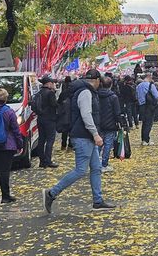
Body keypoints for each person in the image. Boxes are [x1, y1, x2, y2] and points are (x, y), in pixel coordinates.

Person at [42, 69, 116, 214]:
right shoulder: (85, 92)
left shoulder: (85, 91)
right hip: (83, 136)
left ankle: (98, 201)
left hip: (86, 136)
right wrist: (95, 134)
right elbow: (86, 114)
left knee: (96, 168)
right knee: (81, 170)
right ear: (96, 80)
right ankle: (51, 193)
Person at [34, 75, 59, 168]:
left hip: (40, 118)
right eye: (52, 83)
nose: (53, 84)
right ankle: (48, 160)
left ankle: (42, 161)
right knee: (50, 140)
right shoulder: (50, 93)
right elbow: (54, 104)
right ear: (48, 84)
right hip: (50, 119)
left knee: (41, 140)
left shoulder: (39, 93)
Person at [97, 76, 121, 172]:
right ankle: (104, 164)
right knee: (107, 145)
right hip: (110, 124)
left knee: (98, 144)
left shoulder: (96, 95)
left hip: (99, 123)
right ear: (111, 85)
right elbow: (117, 112)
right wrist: (120, 123)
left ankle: (95, 163)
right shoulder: (113, 97)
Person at [136, 74, 158, 146]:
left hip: (141, 106)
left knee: (144, 123)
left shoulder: (138, 86)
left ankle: (143, 139)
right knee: (149, 123)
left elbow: (136, 96)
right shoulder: (151, 85)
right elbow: (156, 96)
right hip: (149, 106)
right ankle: (146, 140)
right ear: (149, 78)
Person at [57, 76, 73, 150]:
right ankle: (70, 145)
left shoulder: (63, 93)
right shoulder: (74, 92)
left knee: (65, 131)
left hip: (64, 114)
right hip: (72, 114)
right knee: (71, 131)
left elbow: (58, 103)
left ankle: (63, 145)